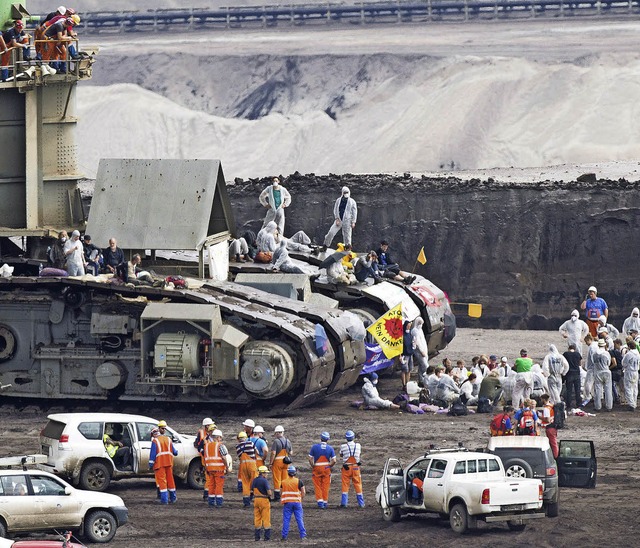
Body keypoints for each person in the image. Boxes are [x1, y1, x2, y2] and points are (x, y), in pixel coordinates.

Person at [148, 420, 178, 504]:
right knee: (170, 481)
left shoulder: (155, 441)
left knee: (162, 482)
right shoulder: (168, 439)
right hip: (169, 463)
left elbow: (152, 455)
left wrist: (150, 465)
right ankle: (173, 498)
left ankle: (164, 500)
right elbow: (175, 452)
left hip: (160, 464)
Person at [308, 431, 336, 509]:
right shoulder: (330, 448)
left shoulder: (314, 447)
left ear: (321, 438)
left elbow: (310, 458)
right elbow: (334, 460)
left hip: (317, 468)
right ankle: (325, 502)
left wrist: (313, 465)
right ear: (328, 439)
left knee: (317, 485)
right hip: (326, 469)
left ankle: (320, 502)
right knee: (325, 486)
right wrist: (329, 466)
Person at [338, 430, 364, 508]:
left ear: (346, 438)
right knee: (358, 485)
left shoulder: (343, 446)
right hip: (356, 467)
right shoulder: (358, 445)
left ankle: (344, 503)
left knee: (345, 485)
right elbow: (359, 454)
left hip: (346, 468)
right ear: (353, 437)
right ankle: (361, 503)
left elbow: (341, 455)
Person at [280, 466, 307, 541]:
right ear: (295, 472)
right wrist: (301, 499)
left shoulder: (283, 482)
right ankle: (303, 535)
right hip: (297, 503)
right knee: (299, 519)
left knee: (286, 520)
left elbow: (281, 492)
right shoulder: (299, 481)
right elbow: (303, 492)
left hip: (287, 503)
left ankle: (284, 536)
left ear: (288, 473)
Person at [204, 428, 229, 507]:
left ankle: (211, 502)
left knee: (211, 485)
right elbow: (224, 457)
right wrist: (227, 467)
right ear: (218, 437)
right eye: (220, 438)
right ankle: (219, 502)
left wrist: (206, 468)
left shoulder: (207, 446)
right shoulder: (220, 445)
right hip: (219, 469)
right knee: (219, 485)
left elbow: (205, 458)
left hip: (210, 469)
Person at [268, 424, 292, 502]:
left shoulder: (276, 441)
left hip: (278, 462)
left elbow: (273, 453)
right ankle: (285, 495)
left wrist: (271, 463)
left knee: (277, 479)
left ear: (277, 433)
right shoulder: (288, 441)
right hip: (286, 462)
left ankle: (277, 496)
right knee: (285, 479)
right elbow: (291, 452)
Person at [195, 418, 215, 500]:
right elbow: (198, 445)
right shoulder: (204, 436)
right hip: (207, 460)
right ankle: (207, 494)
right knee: (209, 478)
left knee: (210, 478)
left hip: (211, 460)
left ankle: (208, 494)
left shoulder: (214, 438)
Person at [236, 431, 258, 507]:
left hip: (243, 466)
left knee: (245, 483)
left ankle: (246, 502)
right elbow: (256, 451)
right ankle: (255, 498)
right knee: (254, 482)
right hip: (252, 465)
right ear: (245, 438)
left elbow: (239, 457)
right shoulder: (250, 443)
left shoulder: (237, 447)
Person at [251, 465, 273, 541]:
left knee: (257, 518)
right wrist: (270, 496)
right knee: (266, 519)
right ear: (262, 473)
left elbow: (252, 490)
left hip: (256, 500)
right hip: (264, 501)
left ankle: (257, 537)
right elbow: (269, 492)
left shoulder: (254, 480)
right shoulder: (264, 481)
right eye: (266, 473)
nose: (267, 474)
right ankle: (267, 537)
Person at [592, 338, 613, 411]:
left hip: (598, 371)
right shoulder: (606, 353)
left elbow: (593, 362)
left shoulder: (594, 354)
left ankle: (598, 406)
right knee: (608, 390)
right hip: (606, 371)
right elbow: (609, 362)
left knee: (598, 390)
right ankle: (609, 406)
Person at [563, 344, 583, 409]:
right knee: (577, 390)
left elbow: (564, 363)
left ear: (569, 348)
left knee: (569, 390)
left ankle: (568, 404)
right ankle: (579, 404)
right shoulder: (578, 354)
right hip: (577, 373)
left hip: (569, 373)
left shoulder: (566, 354)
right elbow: (580, 363)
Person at [622, 337, 639, 411]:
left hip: (629, 371)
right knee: (634, 387)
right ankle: (634, 402)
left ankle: (631, 404)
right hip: (636, 371)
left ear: (629, 346)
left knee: (628, 388)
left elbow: (624, 363)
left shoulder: (629, 354)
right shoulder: (638, 353)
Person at [411, 318, 429, 386]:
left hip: (424, 349)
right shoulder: (414, 331)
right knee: (425, 365)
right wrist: (422, 351)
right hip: (419, 351)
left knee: (421, 366)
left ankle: (421, 380)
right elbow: (417, 342)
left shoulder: (420, 330)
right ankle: (425, 379)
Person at [400, 320, 415, 391]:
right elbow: (399, 346)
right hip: (404, 355)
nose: (409, 327)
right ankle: (404, 384)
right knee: (404, 369)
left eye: (410, 326)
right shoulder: (402, 335)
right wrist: (400, 356)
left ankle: (407, 383)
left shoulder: (410, 334)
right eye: (408, 326)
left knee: (409, 369)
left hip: (410, 354)